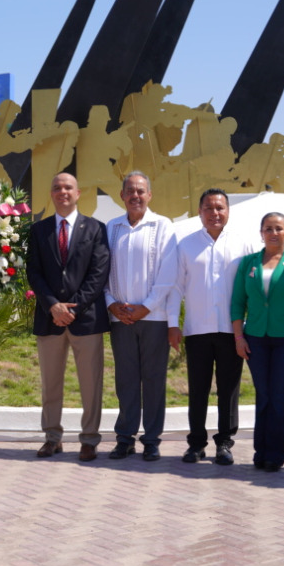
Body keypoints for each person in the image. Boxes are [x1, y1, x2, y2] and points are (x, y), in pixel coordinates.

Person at [168, 188, 258, 465]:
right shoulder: (186, 245)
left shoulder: (244, 245)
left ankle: (225, 443)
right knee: (198, 388)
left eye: (220, 208)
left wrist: (248, 328)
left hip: (233, 332)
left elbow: (252, 290)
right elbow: (175, 288)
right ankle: (196, 443)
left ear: (228, 211)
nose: (215, 213)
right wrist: (173, 324)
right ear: (200, 211)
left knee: (229, 389)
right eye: (209, 208)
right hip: (197, 330)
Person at [27, 172, 110, 461]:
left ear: (78, 193)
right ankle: (52, 437)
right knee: (50, 382)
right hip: (49, 319)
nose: (63, 192)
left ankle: (89, 439)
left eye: (68, 187)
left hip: (85, 320)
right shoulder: (39, 230)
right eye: (57, 188)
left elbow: (98, 274)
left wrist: (72, 308)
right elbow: (33, 273)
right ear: (52, 194)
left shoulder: (96, 229)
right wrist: (53, 306)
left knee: (91, 383)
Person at [230, 212, 284, 472]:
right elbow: (237, 302)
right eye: (268, 228)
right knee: (263, 394)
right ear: (261, 232)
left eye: (279, 228)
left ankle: (276, 454)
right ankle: (261, 451)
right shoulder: (249, 263)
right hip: (255, 337)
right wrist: (239, 337)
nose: (273, 232)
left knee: (280, 395)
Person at [104, 172, 178, 461]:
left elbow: (168, 272)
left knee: (153, 378)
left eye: (141, 191)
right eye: (130, 191)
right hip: (120, 318)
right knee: (126, 380)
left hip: (153, 317)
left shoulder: (162, 226)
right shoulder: (112, 228)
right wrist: (111, 304)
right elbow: (103, 271)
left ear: (150, 195)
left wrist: (146, 306)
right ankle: (125, 438)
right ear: (121, 195)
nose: (135, 196)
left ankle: (151, 439)